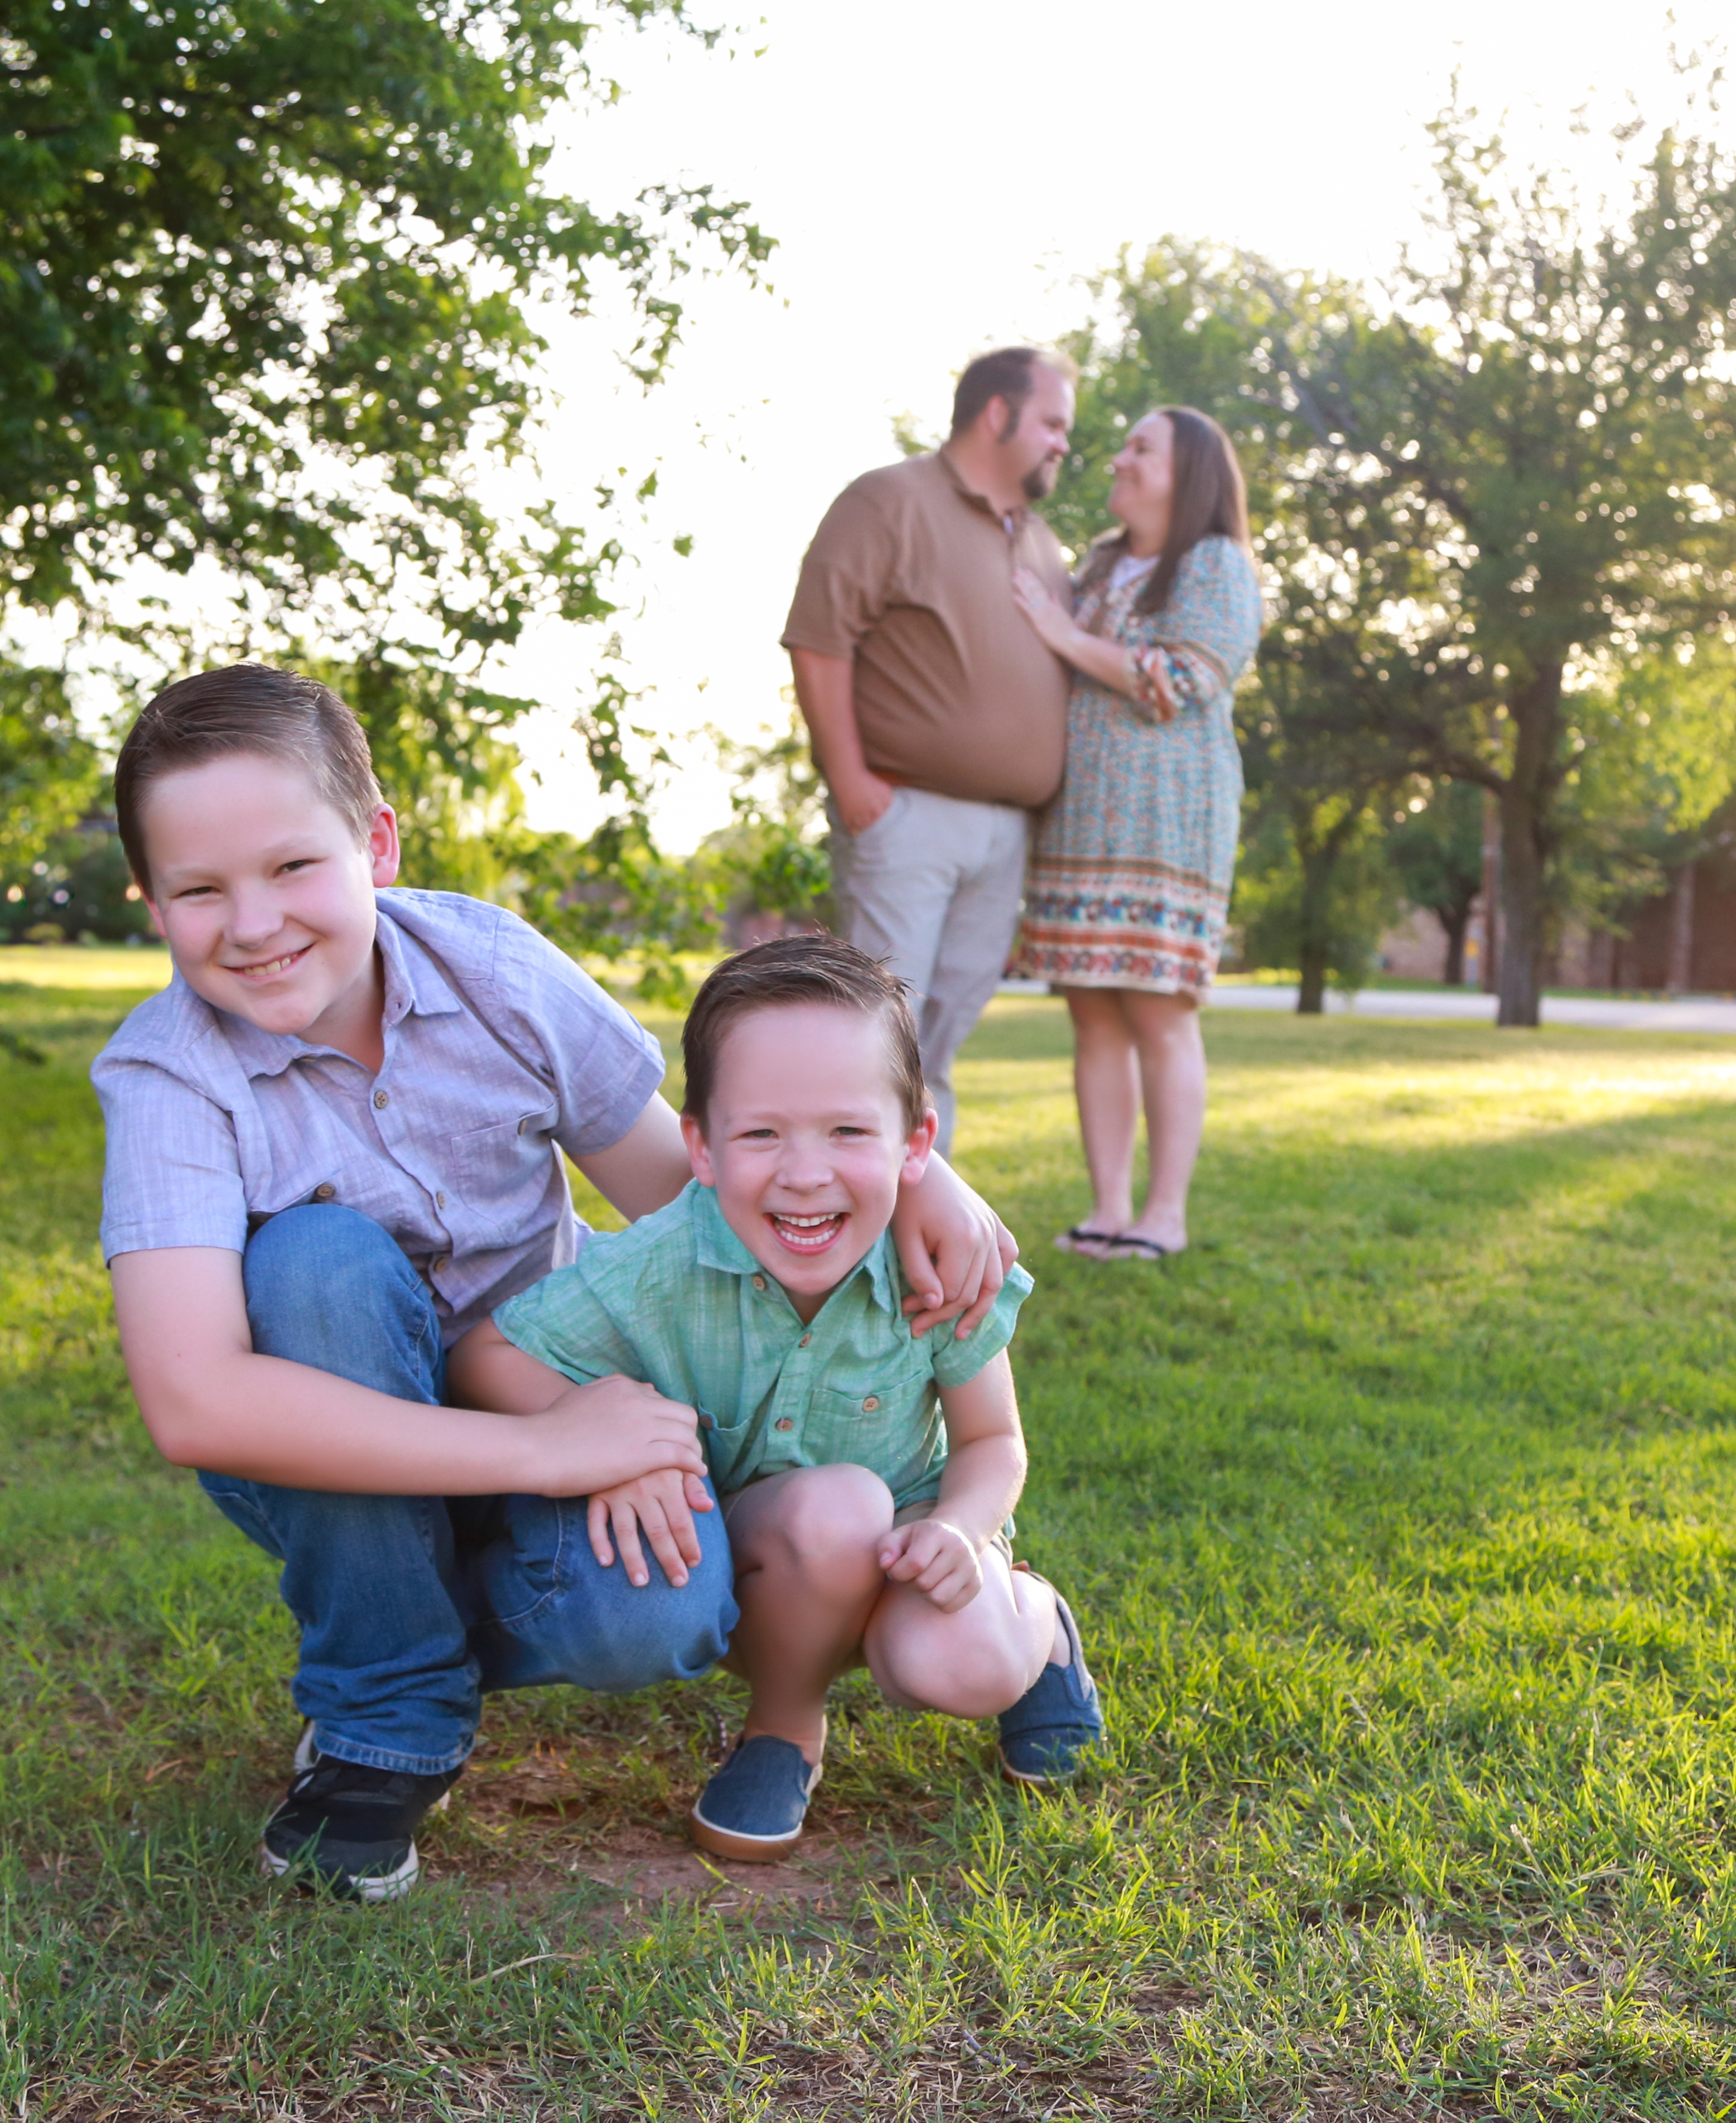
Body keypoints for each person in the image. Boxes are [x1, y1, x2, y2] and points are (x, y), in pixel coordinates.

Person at [92, 663, 1020, 1902]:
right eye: (200, 890)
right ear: (151, 897)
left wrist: (914, 1180)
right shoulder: (167, 1076)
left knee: (662, 1612)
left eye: (290, 867)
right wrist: (556, 1448)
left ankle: (403, 1625)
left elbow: (679, 1191)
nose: (253, 923)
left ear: (375, 840)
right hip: (350, 1450)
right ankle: (386, 1716)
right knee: (315, 1256)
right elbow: (195, 1400)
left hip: (554, 1382)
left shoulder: (491, 966)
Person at [449, 935, 1104, 1864]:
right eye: (761, 1134)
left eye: (847, 1132)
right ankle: (784, 1731)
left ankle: (1040, 1629)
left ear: (916, 1142)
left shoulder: (942, 1268)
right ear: (701, 1147)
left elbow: (993, 1439)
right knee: (834, 1506)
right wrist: (604, 1431)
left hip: (915, 1546)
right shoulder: (663, 1259)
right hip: (768, 1556)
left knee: (959, 1662)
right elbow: (487, 1353)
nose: (805, 1173)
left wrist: (961, 1530)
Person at [782, 346, 1076, 1155]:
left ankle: (916, 1237)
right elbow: (818, 640)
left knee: (935, 1051)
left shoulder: (1043, 542)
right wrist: (852, 785)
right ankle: (846, 1237)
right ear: (996, 413)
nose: (1062, 443)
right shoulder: (889, 500)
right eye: (1052, 423)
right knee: (877, 1040)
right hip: (906, 817)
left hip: (1004, 834)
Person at [1007, 407, 1263, 1263]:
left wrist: (1065, 635)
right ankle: (1108, 1207)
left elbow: (1181, 681)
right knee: (1091, 1015)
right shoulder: (1102, 565)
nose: (1117, 459)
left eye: (1139, 450)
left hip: (1168, 827)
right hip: (1078, 821)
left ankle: (1165, 1215)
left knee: (1158, 1012)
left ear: (1186, 474)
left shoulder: (1215, 564)